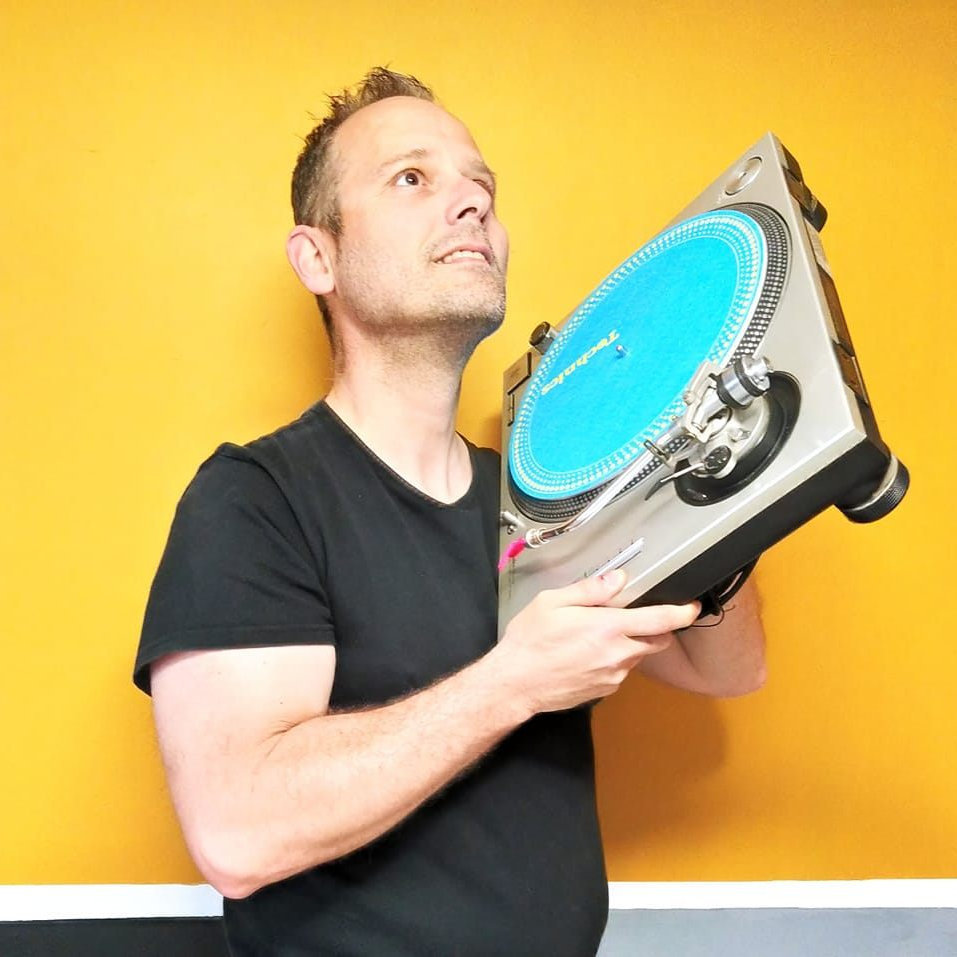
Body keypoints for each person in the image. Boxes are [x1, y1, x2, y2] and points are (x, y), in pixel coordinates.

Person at [133, 67, 766, 956]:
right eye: (411, 178)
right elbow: (238, 832)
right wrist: (513, 682)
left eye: (482, 187)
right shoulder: (254, 499)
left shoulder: (542, 500)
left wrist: (711, 477)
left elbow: (724, 669)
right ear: (318, 257)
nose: (471, 204)